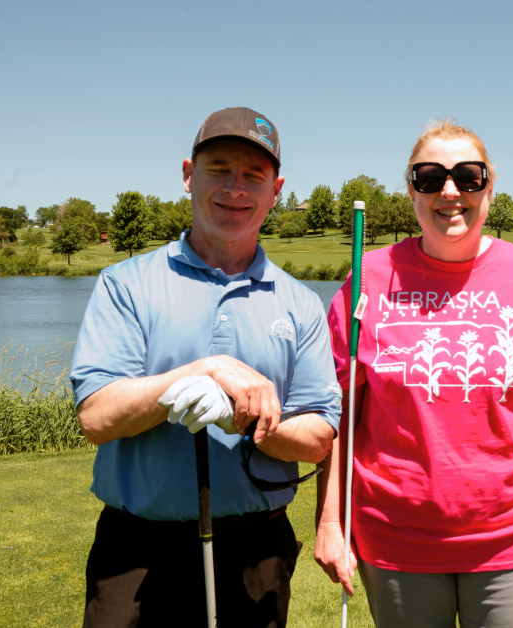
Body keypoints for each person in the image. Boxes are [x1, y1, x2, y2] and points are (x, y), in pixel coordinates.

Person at [316, 119, 513, 628]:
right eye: (430, 177)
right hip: (396, 538)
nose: (450, 191)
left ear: (488, 189)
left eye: (468, 177)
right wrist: (329, 521)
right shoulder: (369, 276)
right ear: (411, 191)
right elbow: (338, 409)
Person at [70, 107, 341, 627]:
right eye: (219, 169)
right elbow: (97, 418)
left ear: (276, 189)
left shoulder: (300, 303)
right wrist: (202, 371)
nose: (236, 188)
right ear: (189, 175)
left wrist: (240, 417)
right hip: (136, 550)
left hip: (256, 549)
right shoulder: (126, 284)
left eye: (253, 175)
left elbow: (317, 438)